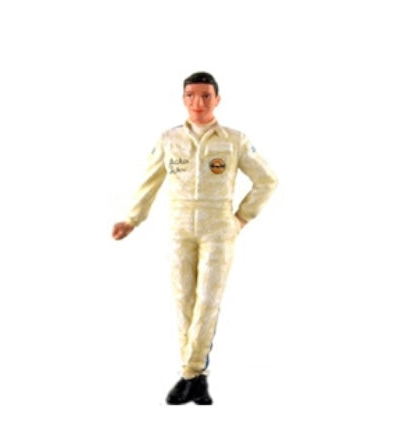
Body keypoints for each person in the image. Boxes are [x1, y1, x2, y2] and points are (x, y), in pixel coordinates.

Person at [112, 72, 277, 405]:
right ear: (183, 99)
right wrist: (132, 218)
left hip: (218, 228)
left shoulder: (234, 140)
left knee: (208, 300)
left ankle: (189, 374)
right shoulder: (169, 139)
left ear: (217, 99)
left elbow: (267, 180)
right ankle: (197, 380)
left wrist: (242, 217)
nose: (198, 102)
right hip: (180, 228)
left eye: (205, 96)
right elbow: (149, 182)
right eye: (191, 95)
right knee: (183, 299)